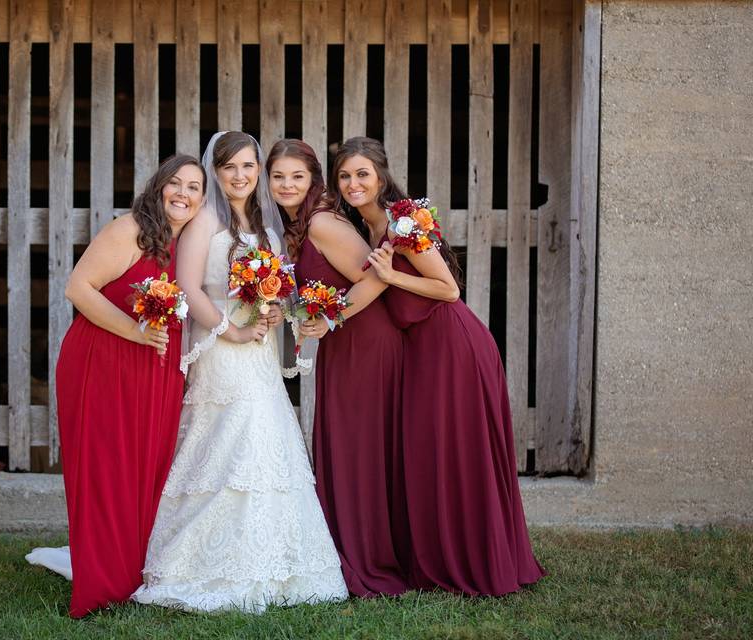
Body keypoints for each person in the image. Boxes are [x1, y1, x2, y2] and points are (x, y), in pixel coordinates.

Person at [131, 131, 348, 612]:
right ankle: (203, 562)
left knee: (267, 444)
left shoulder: (266, 224)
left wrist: (274, 316)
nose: (240, 176)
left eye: (249, 166)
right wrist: (227, 328)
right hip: (221, 347)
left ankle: (278, 561)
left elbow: (277, 287)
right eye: (230, 167)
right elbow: (188, 285)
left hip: (260, 349)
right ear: (216, 170)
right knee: (228, 445)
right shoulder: (205, 218)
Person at [333, 136, 546, 596]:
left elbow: (448, 288)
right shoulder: (364, 228)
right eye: (345, 176)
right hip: (420, 348)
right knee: (434, 454)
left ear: (381, 176)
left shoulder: (402, 221)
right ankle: (444, 556)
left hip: (452, 343)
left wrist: (390, 276)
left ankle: (479, 562)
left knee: (458, 452)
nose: (353, 183)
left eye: (362, 174)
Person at [26, 155, 205, 617]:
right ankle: (102, 580)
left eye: (195, 187)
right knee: (107, 468)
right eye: (175, 183)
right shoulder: (129, 230)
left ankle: (129, 568)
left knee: (146, 470)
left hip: (157, 369)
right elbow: (78, 288)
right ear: (159, 187)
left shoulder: (189, 244)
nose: (183, 194)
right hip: (103, 361)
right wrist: (136, 332)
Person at [267, 138, 408, 596]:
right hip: (342, 345)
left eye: (297, 176)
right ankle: (346, 546)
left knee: (359, 448)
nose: (286, 185)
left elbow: (375, 277)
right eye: (278, 177)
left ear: (313, 181)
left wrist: (331, 318)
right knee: (344, 445)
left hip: (367, 342)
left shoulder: (324, 223)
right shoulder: (300, 225)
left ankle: (371, 557)